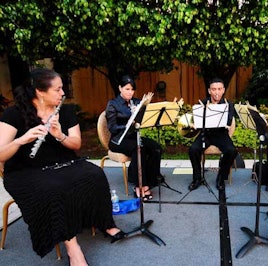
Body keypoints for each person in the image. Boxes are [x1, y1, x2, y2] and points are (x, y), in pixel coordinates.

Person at [0, 68, 126, 265]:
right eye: (57, 90)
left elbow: (76, 145)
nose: (62, 94)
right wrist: (21, 141)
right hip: (25, 171)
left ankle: (105, 222)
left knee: (95, 174)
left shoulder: (66, 111)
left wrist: (59, 135)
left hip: (62, 163)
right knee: (54, 189)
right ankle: (73, 248)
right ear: (40, 92)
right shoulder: (14, 114)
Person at [106, 75, 162, 200]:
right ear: (120, 88)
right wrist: (128, 124)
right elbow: (112, 128)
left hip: (133, 136)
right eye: (127, 89)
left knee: (156, 148)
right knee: (139, 148)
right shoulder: (113, 104)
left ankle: (150, 181)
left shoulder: (136, 101)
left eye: (132, 89)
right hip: (118, 139)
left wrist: (144, 108)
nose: (130, 92)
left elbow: (143, 120)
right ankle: (138, 185)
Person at [188, 77, 237, 191]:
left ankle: (221, 177)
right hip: (206, 134)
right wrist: (195, 124)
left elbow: (229, 121)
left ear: (223, 90)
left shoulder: (228, 104)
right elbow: (196, 120)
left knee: (232, 151)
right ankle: (197, 178)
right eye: (214, 89)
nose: (217, 92)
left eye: (219, 89)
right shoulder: (202, 103)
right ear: (209, 91)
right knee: (193, 149)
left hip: (221, 134)